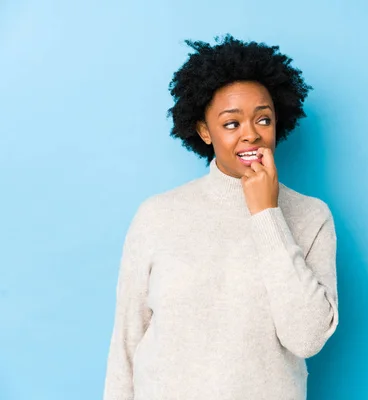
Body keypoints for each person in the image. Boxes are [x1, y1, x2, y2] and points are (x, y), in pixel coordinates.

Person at [102, 34, 339, 400]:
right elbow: (127, 343)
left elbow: (306, 337)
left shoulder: (310, 216)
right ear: (204, 131)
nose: (251, 135)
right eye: (231, 124)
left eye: (263, 120)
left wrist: (266, 213)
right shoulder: (158, 215)